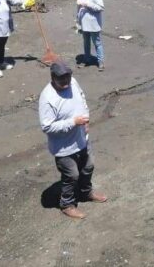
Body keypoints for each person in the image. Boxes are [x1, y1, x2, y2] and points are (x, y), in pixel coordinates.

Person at [38, 60, 108, 219]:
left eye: (67, 77)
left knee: (88, 167)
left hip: (81, 139)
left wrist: (86, 119)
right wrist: (73, 122)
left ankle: (85, 192)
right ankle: (67, 204)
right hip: (64, 147)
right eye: (61, 78)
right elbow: (47, 127)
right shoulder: (47, 98)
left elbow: (82, 99)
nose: (66, 81)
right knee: (71, 176)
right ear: (53, 77)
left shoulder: (73, 82)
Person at [76, 0, 105, 71]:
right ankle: (86, 59)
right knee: (86, 42)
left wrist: (87, 4)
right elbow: (79, 8)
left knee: (97, 42)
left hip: (93, 23)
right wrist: (78, 21)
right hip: (84, 24)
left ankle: (100, 62)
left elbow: (100, 7)